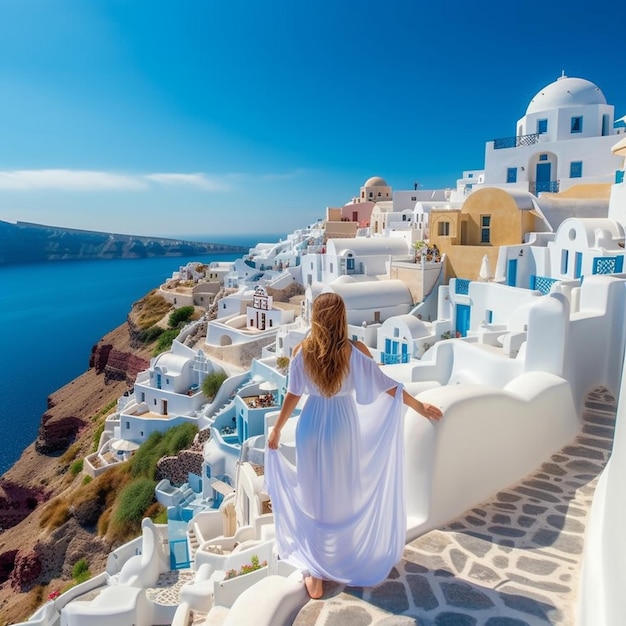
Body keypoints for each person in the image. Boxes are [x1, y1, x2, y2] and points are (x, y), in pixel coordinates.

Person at [265, 292, 443, 599]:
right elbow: (386, 384)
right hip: (342, 427)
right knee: (343, 490)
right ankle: (343, 555)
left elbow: (293, 396)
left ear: (316, 319)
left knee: (313, 492)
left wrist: (277, 430)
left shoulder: (301, 351)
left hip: (311, 426)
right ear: (342, 318)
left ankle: (316, 570)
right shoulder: (356, 350)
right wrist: (417, 405)